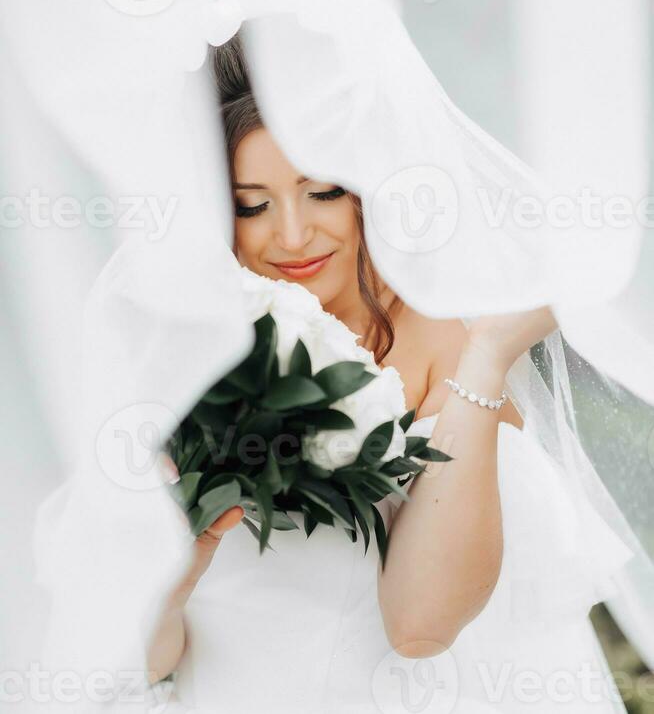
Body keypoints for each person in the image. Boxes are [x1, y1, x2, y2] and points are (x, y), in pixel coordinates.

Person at [144, 35, 629, 714]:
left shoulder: (446, 339)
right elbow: (137, 658)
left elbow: (421, 625)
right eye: (252, 205)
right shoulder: (178, 356)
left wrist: (486, 359)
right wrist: (185, 555)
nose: (291, 236)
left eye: (322, 192)